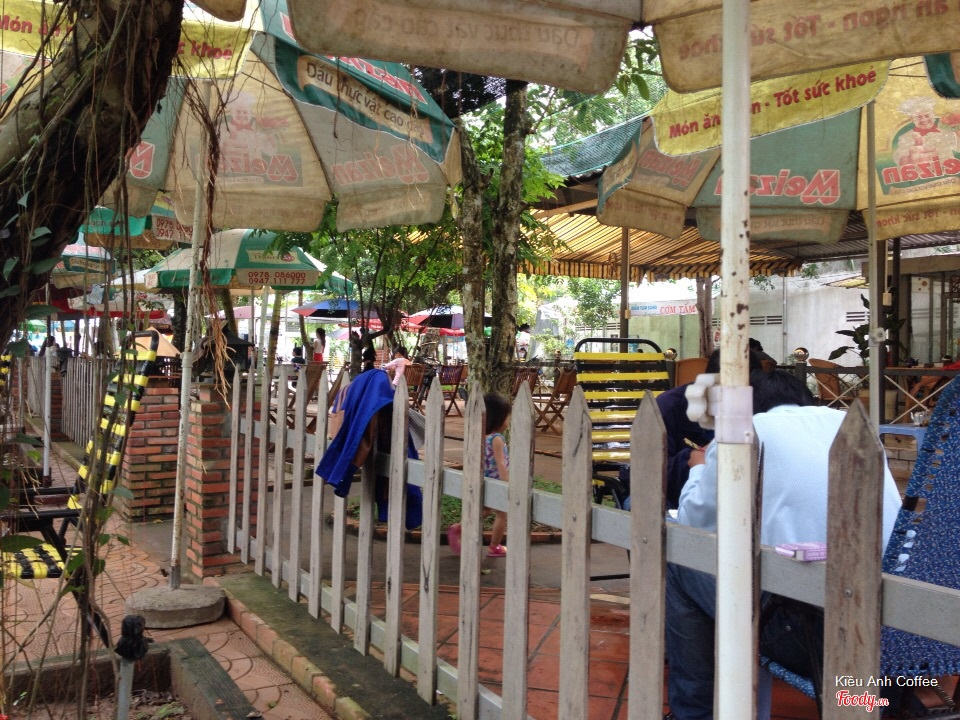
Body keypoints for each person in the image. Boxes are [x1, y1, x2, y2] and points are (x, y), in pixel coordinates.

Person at [664, 369, 902, 720]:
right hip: (894, 628)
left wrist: (698, 468)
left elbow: (692, 521)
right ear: (806, 400)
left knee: (680, 560)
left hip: (808, 632)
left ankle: (695, 712)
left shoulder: (743, 433)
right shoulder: (851, 425)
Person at [446, 393, 512, 559]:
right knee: (502, 514)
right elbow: (501, 463)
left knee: (484, 510)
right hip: (497, 482)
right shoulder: (497, 439)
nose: (508, 422)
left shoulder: (482, 437)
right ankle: (495, 546)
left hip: (484, 480)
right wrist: (507, 484)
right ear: (498, 418)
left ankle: (458, 528)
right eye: (507, 418)